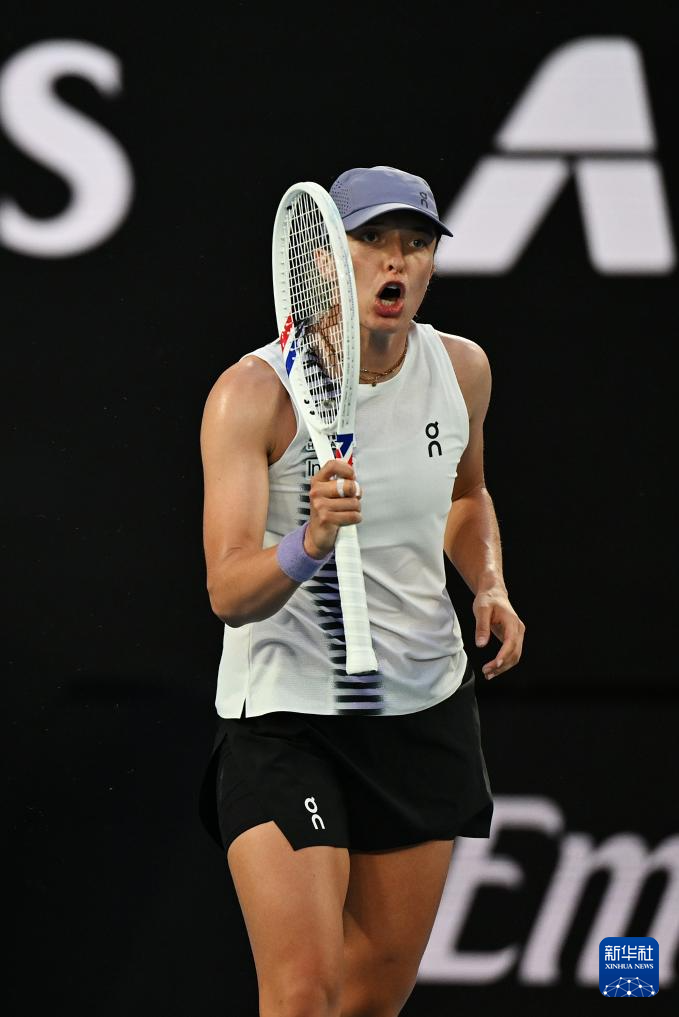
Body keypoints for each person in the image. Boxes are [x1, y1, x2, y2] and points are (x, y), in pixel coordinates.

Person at [198, 165, 525, 1017]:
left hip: (421, 706)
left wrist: (488, 583)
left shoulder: (462, 369)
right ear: (322, 260)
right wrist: (306, 543)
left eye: (415, 244)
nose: (395, 260)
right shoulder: (251, 394)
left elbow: (465, 495)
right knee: (304, 993)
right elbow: (228, 590)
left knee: (372, 998)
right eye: (371, 239)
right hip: (288, 718)